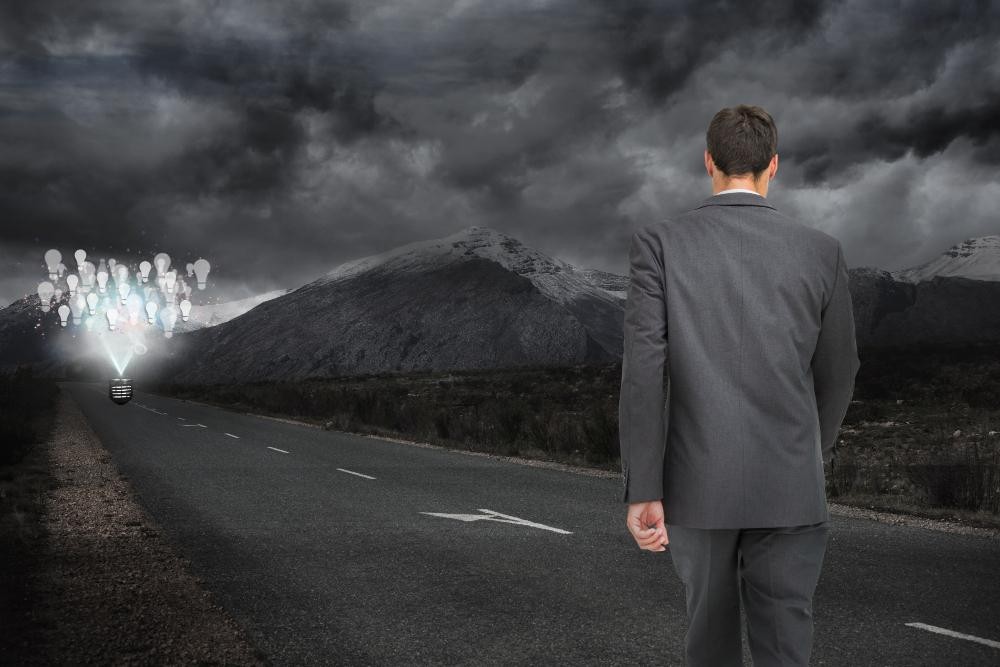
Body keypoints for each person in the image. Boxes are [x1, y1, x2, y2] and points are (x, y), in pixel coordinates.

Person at [618, 104, 860, 666]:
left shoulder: (658, 244)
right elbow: (840, 370)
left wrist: (644, 488)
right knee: (785, 646)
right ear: (773, 165)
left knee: (708, 643)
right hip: (790, 484)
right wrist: (806, 451)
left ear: (709, 162)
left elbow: (644, 374)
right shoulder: (822, 251)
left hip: (697, 486)